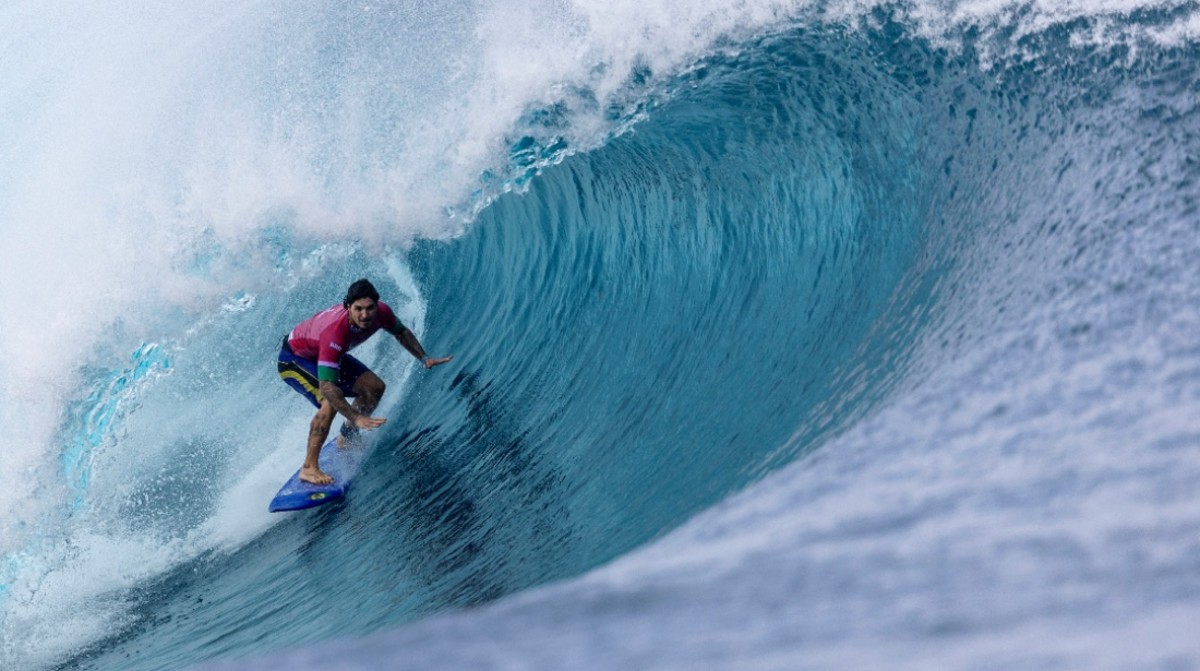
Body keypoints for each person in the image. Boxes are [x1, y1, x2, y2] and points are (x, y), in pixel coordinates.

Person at [277, 278, 452, 484]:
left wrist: (424, 358)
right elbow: (326, 386)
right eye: (358, 309)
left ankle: (346, 438)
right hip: (295, 359)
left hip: (324, 354)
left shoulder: (382, 313)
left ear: (377, 305)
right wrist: (355, 415)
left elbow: (401, 332)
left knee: (374, 387)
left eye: (370, 308)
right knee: (330, 402)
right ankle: (309, 468)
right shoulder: (335, 333)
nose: (365, 315)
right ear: (347, 307)